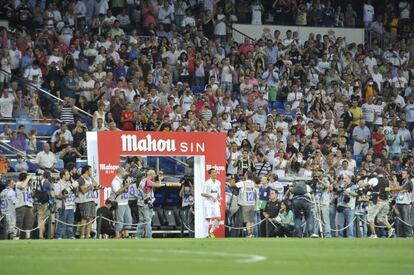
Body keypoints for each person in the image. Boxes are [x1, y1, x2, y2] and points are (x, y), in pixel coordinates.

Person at [136, 169, 164, 238]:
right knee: (148, 220)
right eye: (154, 174)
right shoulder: (148, 181)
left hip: (140, 203)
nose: (154, 176)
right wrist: (160, 179)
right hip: (145, 204)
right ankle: (149, 236)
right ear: (151, 175)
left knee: (141, 221)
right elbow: (158, 185)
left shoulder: (143, 180)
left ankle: (137, 236)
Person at [367, 171, 395, 238]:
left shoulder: (374, 179)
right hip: (386, 202)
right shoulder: (387, 181)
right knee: (381, 218)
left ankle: (374, 234)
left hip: (378, 202)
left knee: (370, 218)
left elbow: (365, 185)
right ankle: (390, 228)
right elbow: (389, 189)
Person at [54, 169, 78, 239]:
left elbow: (75, 190)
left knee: (70, 223)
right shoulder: (58, 184)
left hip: (71, 205)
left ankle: (70, 236)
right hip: (63, 206)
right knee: (62, 222)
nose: (69, 175)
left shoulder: (70, 183)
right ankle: (59, 236)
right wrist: (64, 196)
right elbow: (56, 195)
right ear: (63, 176)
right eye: (67, 174)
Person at [389, 170, 413, 237]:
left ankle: (408, 235)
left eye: (404, 173)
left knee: (406, 220)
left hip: (405, 203)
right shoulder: (402, 181)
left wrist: (395, 180)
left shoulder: (408, 182)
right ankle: (400, 235)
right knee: (399, 220)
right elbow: (399, 190)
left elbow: (399, 188)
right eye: (402, 173)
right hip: (399, 202)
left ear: (408, 175)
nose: (402, 174)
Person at [77, 165, 98, 239]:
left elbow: (96, 184)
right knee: (85, 218)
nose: (91, 172)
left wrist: (93, 184)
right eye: (90, 170)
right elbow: (83, 191)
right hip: (84, 201)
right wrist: (91, 185)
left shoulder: (90, 178)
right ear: (87, 171)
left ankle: (88, 235)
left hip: (91, 200)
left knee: (90, 218)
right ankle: (82, 235)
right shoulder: (81, 179)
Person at [110, 167, 132, 239]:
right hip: (119, 203)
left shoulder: (122, 180)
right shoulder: (115, 181)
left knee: (128, 220)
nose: (125, 173)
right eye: (124, 172)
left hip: (125, 202)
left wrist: (127, 185)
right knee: (119, 220)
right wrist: (125, 186)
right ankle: (117, 235)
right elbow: (117, 192)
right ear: (121, 172)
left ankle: (126, 235)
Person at [201, 168, 222, 238]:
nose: (215, 174)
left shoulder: (218, 182)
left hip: (215, 202)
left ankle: (211, 231)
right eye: (213, 173)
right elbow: (202, 193)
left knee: (218, 219)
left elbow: (218, 193)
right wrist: (210, 196)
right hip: (208, 203)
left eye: (215, 172)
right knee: (208, 218)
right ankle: (206, 235)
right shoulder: (207, 183)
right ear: (210, 174)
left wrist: (218, 196)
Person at [236, 171, 257, 237]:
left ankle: (249, 234)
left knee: (247, 221)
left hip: (245, 204)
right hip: (252, 204)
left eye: (245, 174)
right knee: (252, 220)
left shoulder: (242, 183)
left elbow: (234, 185)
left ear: (246, 176)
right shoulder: (253, 183)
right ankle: (252, 234)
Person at [32, 171, 53, 239]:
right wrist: (51, 202)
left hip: (34, 202)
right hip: (43, 202)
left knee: (33, 219)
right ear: (49, 176)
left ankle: (30, 235)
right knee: (41, 219)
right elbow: (50, 194)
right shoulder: (47, 183)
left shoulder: (35, 181)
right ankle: (41, 235)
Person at [15, 173, 35, 239]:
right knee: (19, 222)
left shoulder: (28, 186)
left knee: (29, 222)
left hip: (29, 205)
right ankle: (17, 236)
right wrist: (28, 178)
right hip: (21, 205)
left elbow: (32, 195)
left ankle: (27, 237)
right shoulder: (18, 183)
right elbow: (22, 186)